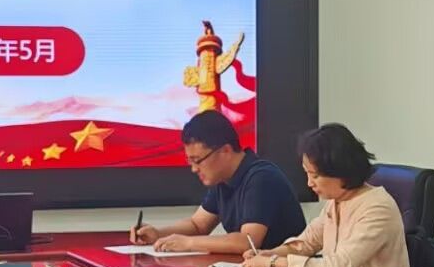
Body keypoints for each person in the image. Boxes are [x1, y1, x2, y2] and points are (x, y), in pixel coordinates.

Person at [244, 123, 409, 267]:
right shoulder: (337, 201)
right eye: (307, 174)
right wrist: (268, 254)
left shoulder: (377, 208)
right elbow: (306, 243)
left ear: (341, 171)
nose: (309, 183)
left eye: (315, 176)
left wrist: (274, 263)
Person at [129, 108, 304, 256]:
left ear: (225, 151)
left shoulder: (261, 177)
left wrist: (188, 243)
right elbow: (198, 225)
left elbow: (247, 242)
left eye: (198, 160)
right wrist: (158, 234)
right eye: (190, 161)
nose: (194, 169)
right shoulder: (223, 179)